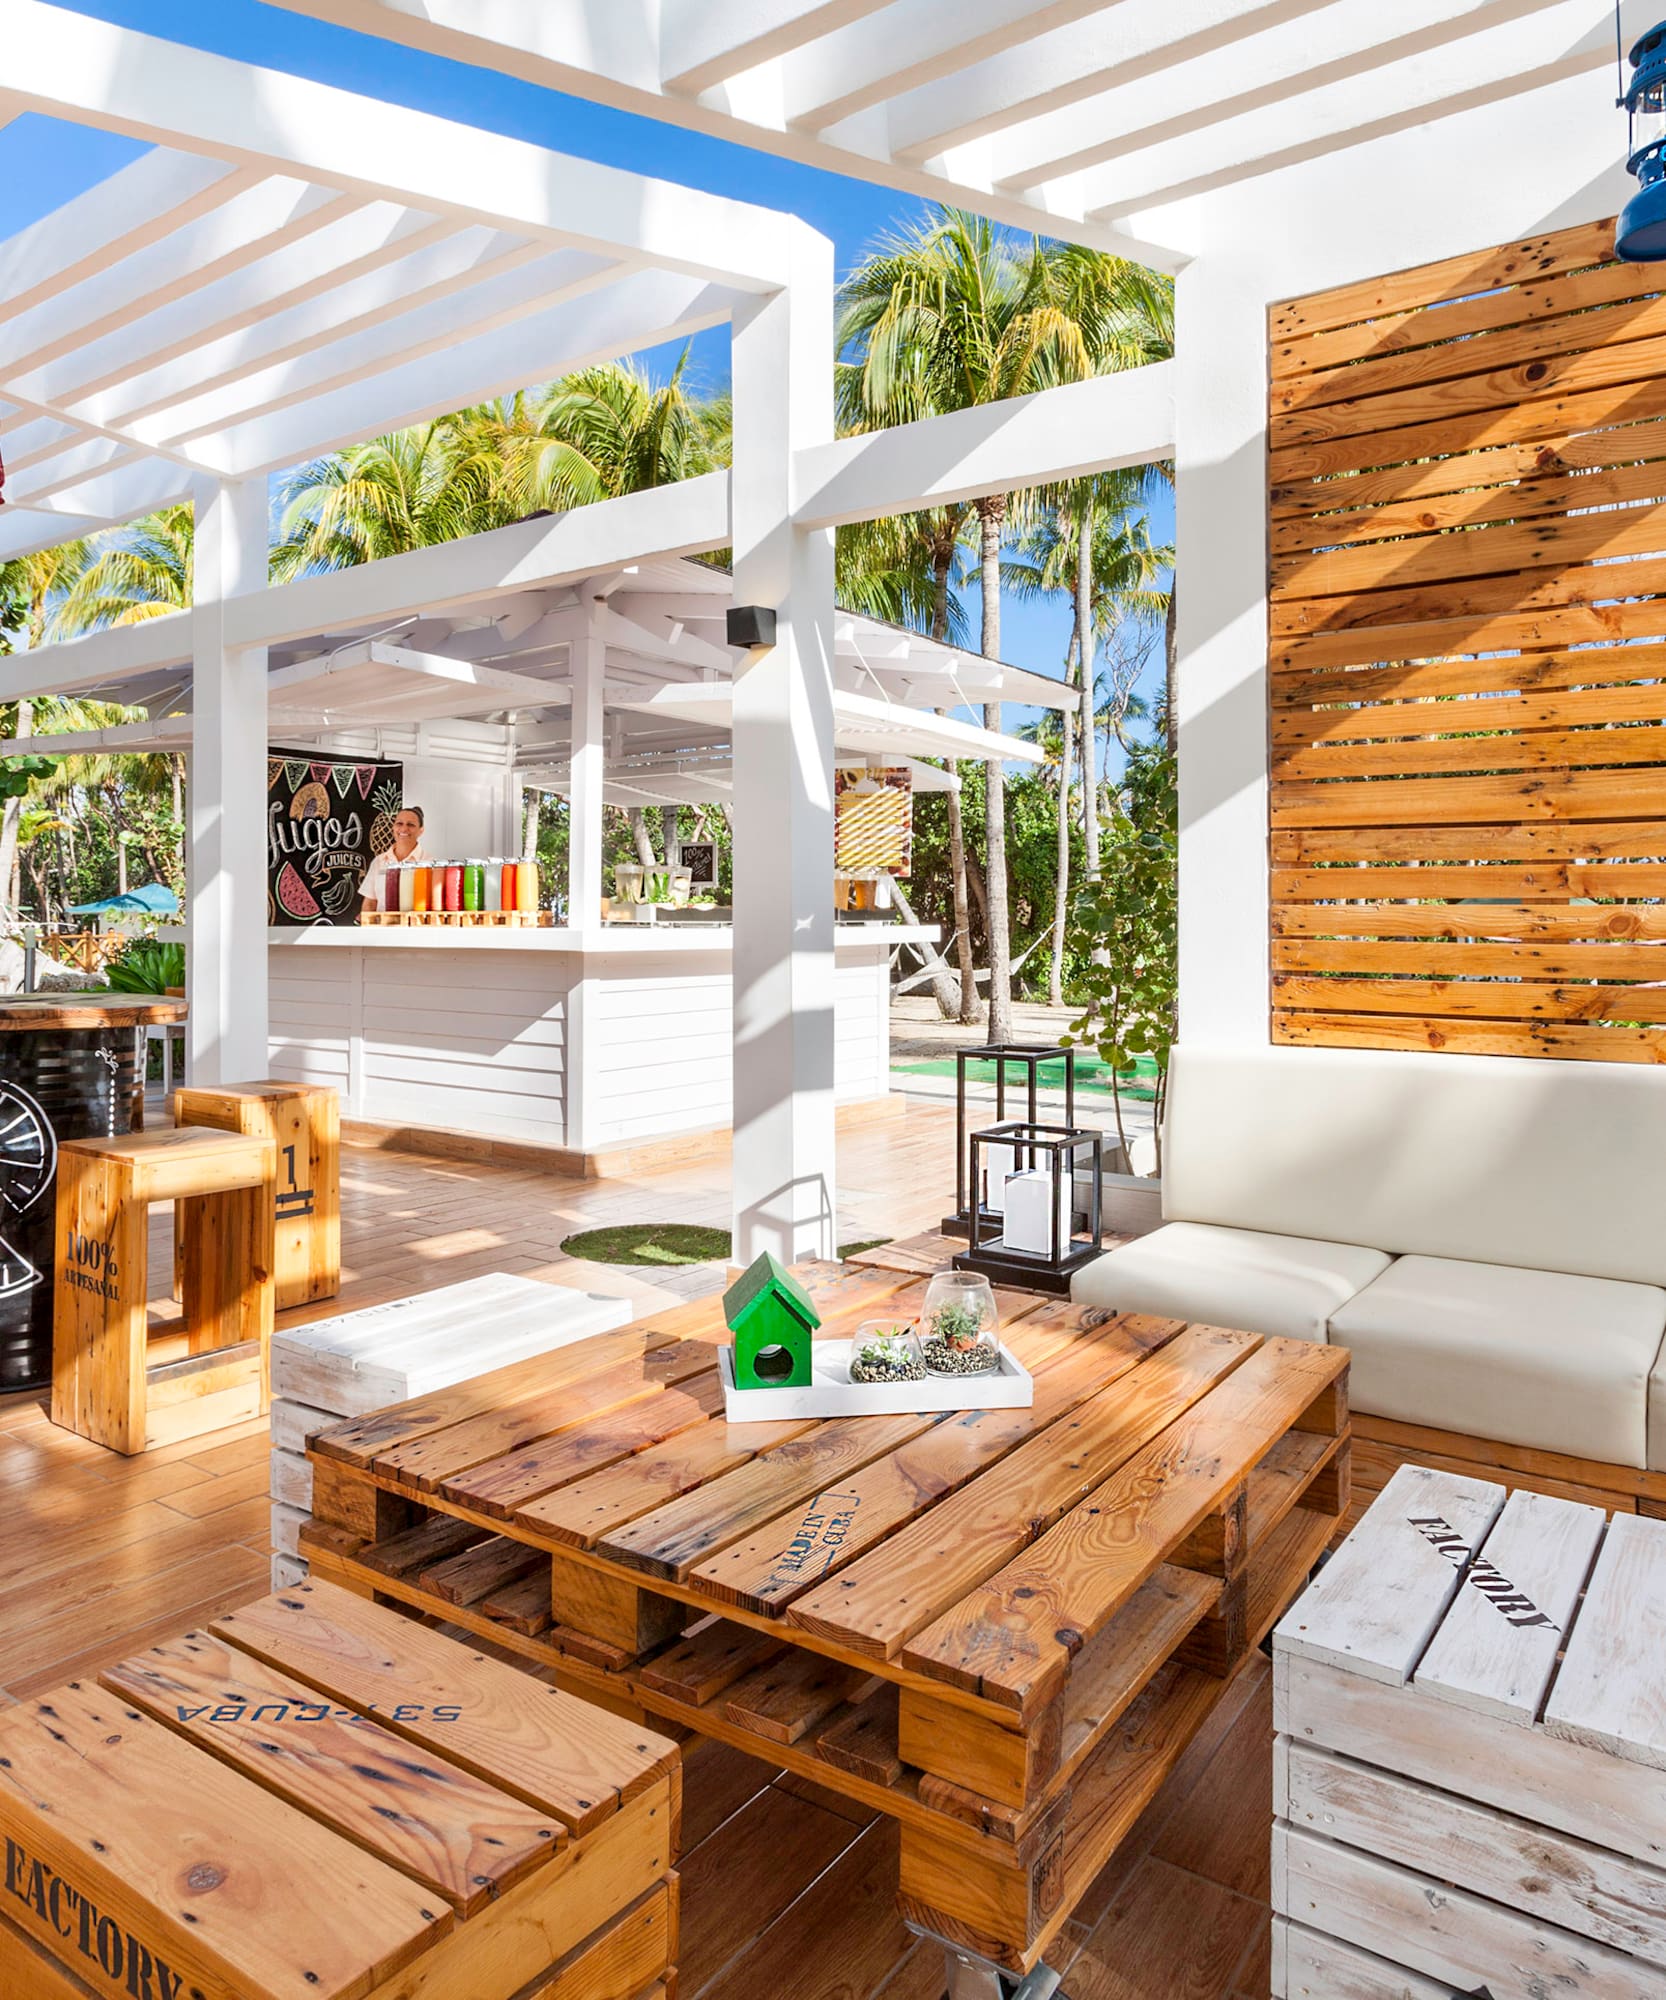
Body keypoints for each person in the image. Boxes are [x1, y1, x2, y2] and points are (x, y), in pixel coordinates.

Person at [359, 805, 429, 912]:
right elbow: (369, 903)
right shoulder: (379, 861)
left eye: (411, 825)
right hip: (382, 927)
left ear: (421, 830)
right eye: (399, 824)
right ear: (393, 827)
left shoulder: (429, 863)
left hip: (414, 926)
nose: (404, 828)